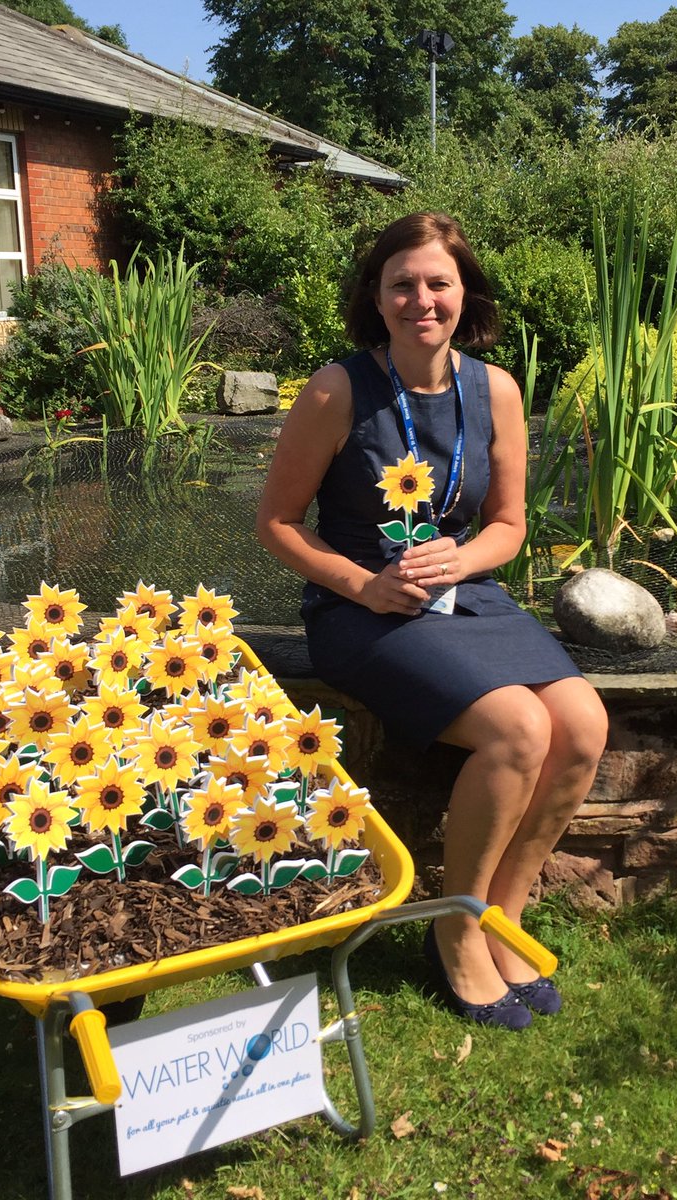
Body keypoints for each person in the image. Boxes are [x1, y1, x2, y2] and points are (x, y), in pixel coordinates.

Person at [256, 212, 607, 1029]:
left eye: (437, 283)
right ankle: (454, 930)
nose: (422, 299)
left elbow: (509, 525)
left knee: (582, 724)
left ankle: (503, 920)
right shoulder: (336, 389)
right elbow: (276, 522)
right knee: (519, 728)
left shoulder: (498, 391)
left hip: (462, 592)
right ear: (376, 299)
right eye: (402, 284)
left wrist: (462, 559)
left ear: (464, 294)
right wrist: (361, 584)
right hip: (359, 611)